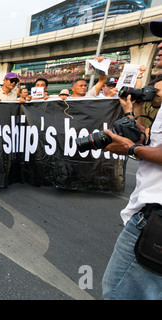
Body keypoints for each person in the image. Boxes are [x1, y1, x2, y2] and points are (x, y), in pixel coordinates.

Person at [101, 19, 162, 300]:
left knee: (118, 293)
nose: (159, 47)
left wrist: (128, 148)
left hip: (156, 217)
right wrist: (134, 114)